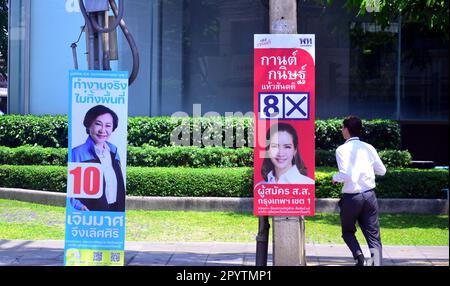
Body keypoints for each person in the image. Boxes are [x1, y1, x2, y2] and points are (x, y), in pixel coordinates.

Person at [332, 115, 386, 266]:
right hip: (370, 196)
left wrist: (335, 177)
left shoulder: (341, 150)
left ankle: (359, 258)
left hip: (352, 198)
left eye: (342, 128)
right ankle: (376, 263)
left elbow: (345, 174)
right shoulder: (369, 148)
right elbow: (382, 171)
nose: (342, 130)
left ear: (347, 130)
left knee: (348, 231)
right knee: (373, 237)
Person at [70, 105, 125, 212]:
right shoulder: (77, 153)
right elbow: (72, 188)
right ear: (89, 125)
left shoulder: (114, 152)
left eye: (108, 125)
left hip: (115, 211)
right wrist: (79, 206)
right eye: (98, 124)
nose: (103, 130)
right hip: (91, 213)